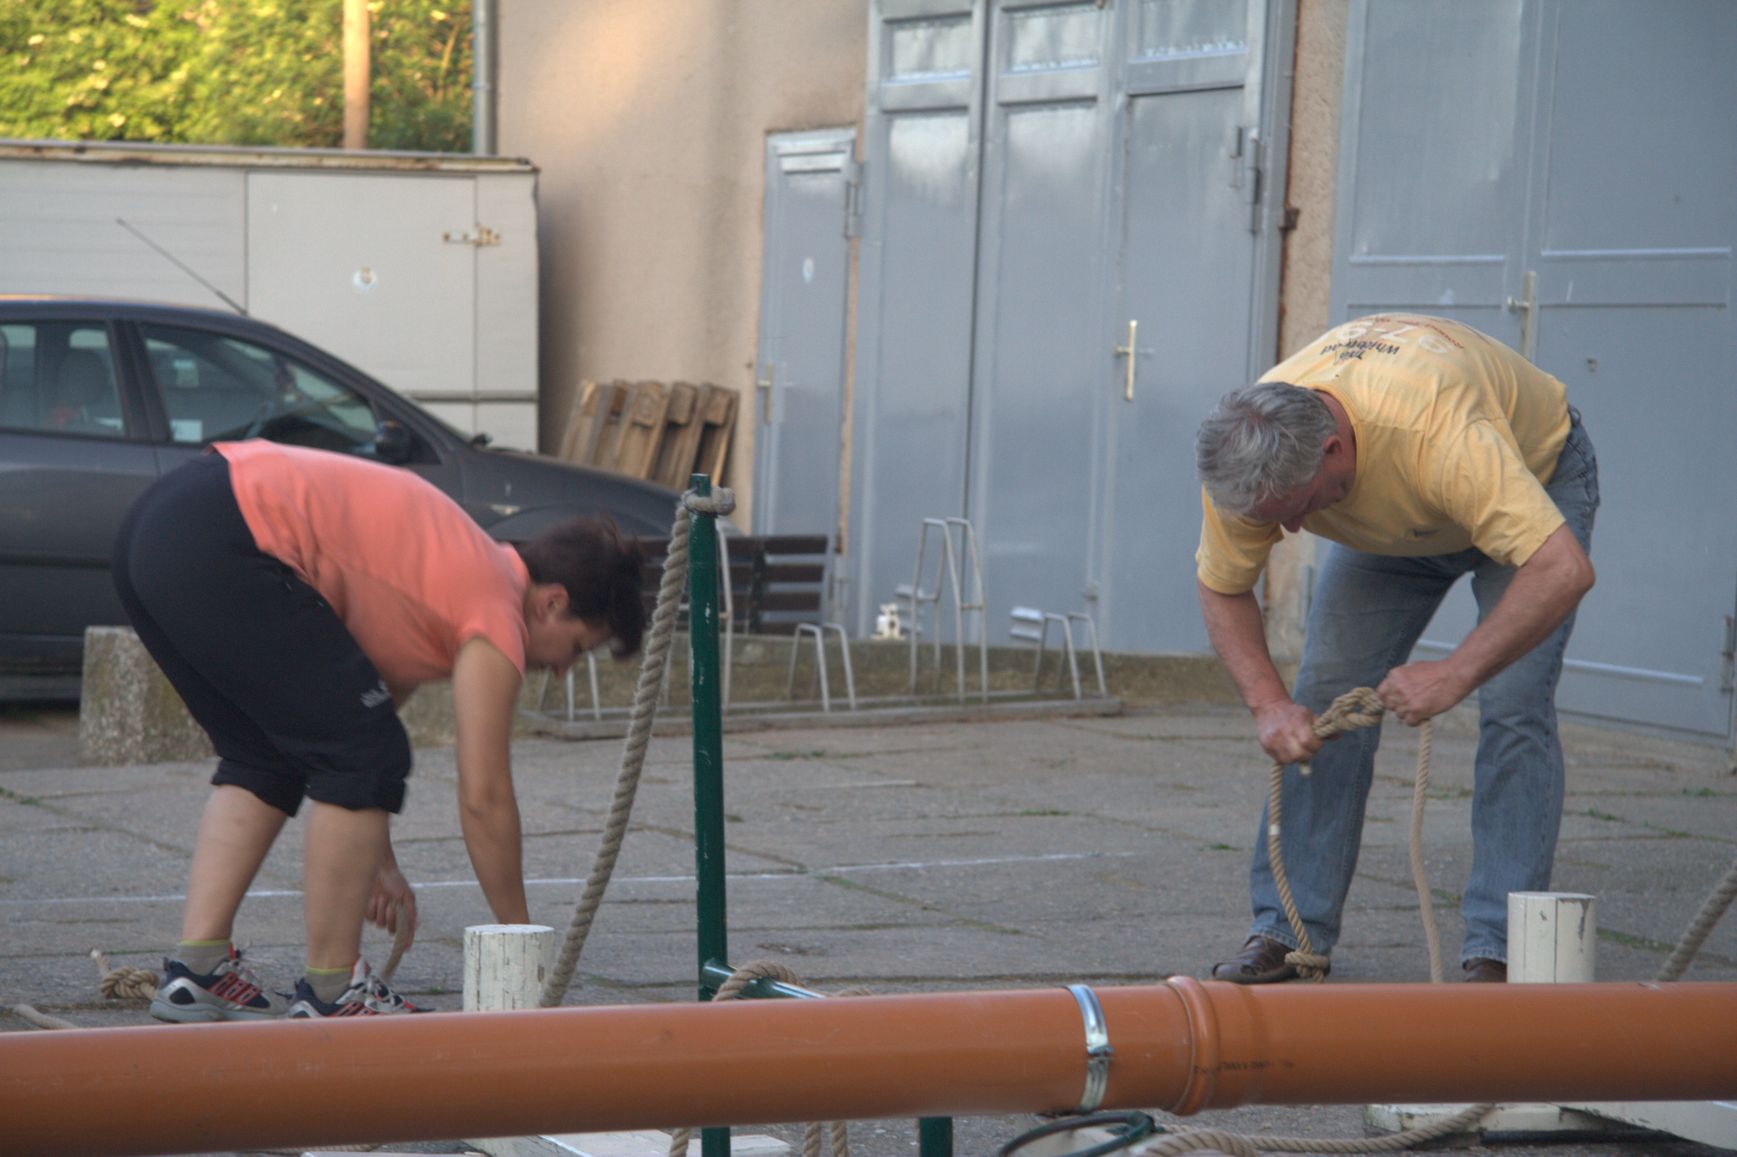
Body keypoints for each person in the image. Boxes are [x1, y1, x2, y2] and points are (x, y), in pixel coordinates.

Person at [111, 440, 646, 1019]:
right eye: (577, 648)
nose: (564, 670)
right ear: (553, 603)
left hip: (160, 527)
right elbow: (484, 797)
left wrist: (379, 862)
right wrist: (520, 941)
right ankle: (333, 991)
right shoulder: (494, 604)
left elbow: (355, 729)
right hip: (226, 532)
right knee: (362, 754)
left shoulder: (443, 571)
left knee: (264, 755)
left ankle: (198, 971)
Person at [1194, 313, 1598, 984]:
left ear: (1331, 449)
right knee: (1322, 700)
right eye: (1270, 518)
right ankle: (1288, 931)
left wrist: (1454, 673)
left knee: (1513, 703)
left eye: (1295, 507)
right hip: (1399, 518)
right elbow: (1223, 586)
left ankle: (1501, 946)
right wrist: (1268, 705)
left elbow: (1562, 571)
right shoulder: (1251, 458)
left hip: (1530, 478)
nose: (1289, 530)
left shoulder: (1436, 428)